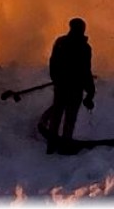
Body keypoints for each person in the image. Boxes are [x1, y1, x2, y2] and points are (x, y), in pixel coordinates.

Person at [41, 18, 96, 154]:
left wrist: (56, 80)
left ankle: (51, 144)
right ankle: (65, 145)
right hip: (75, 88)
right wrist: (90, 91)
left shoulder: (60, 43)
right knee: (70, 118)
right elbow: (85, 71)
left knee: (56, 115)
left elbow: (53, 63)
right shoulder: (84, 48)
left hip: (61, 86)